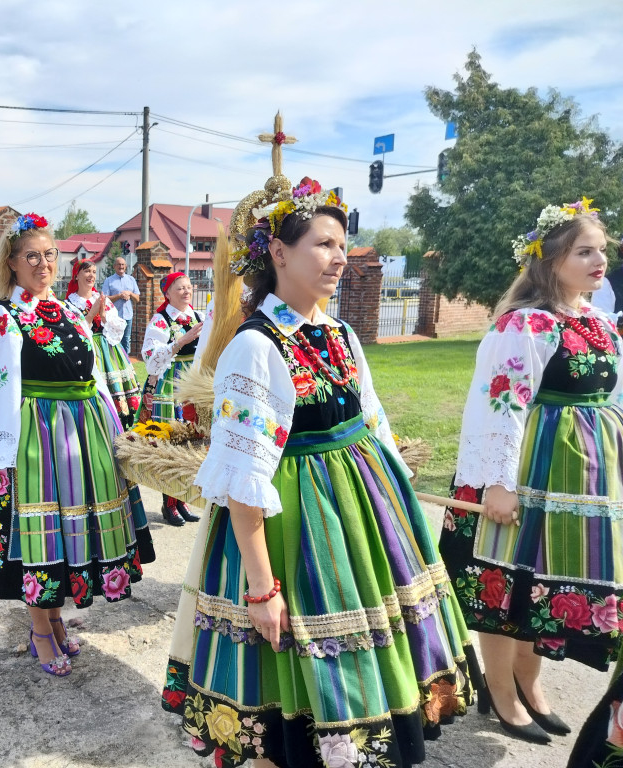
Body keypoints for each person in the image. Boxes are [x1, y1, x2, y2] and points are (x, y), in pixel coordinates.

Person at [162, 177, 476, 768]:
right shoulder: (255, 347)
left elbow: (374, 424)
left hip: (361, 525)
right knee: (288, 700)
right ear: (278, 252)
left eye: (341, 245)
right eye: (324, 244)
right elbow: (242, 483)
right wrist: (261, 589)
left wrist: (400, 509)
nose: (339, 258)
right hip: (297, 532)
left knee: (363, 680)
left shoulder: (340, 334)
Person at [439, 198, 623, 744]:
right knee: (503, 583)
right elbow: (501, 403)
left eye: (602, 252)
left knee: (540, 586)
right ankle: (500, 691)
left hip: (579, 475)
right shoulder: (526, 323)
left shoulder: (596, 322)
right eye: (583, 252)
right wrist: (498, 482)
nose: (598, 262)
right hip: (526, 467)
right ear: (550, 260)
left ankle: (528, 679)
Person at [0, 212, 155, 678]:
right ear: (12, 262)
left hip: (80, 432)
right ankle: (41, 630)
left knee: (68, 535)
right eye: (33, 256)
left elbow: (91, 376)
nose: (43, 264)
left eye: (50, 256)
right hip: (32, 437)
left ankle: (54, 618)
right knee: (33, 536)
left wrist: (113, 430)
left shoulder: (69, 311)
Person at [141, 271, 204, 525]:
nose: (186, 292)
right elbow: (150, 357)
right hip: (170, 384)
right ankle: (169, 504)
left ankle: (182, 500)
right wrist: (181, 341)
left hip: (192, 384)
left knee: (191, 443)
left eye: (188, 287)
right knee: (173, 444)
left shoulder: (197, 316)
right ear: (167, 293)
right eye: (180, 288)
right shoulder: (161, 319)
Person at [66, 259, 140, 427]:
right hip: (88, 350)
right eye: (86, 271)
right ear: (76, 276)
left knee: (115, 389)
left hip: (108, 349)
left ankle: (117, 420)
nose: (91, 275)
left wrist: (104, 315)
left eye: (93, 272)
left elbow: (117, 326)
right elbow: (75, 333)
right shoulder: (70, 304)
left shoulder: (101, 299)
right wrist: (91, 315)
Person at [101, 255, 140, 354]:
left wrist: (130, 293)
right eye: (118, 264)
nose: (121, 266)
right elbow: (104, 298)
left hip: (127, 315)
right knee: (113, 339)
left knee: (126, 340)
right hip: (114, 316)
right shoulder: (109, 280)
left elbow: (137, 299)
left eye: (122, 264)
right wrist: (119, 295)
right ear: (114, 266)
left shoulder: (131, 279)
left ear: (126, 266)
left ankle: (127, 362)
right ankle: (115, 361)